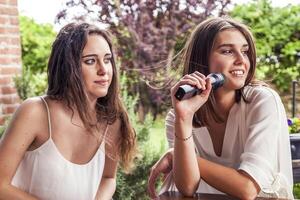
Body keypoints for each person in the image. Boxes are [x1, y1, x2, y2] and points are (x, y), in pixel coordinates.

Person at [147, 17, 293, 199]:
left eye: (245, 52)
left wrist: (177, 157)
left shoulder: (263, 101)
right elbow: (188, 188)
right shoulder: (178, 116)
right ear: (202, 60)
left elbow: (247, 189)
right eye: (227, 51)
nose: (241, 60)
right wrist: (183, 119)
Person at [0, 22, 136, 200]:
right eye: (90, 61)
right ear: (68, 67)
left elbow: (108, 178)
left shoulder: (112, 121)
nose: (104, 70)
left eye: (107, 59)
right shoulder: (35, 112)